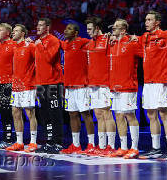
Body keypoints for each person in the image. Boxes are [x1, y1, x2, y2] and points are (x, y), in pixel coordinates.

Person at [138, 10, 167, 159]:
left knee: (164, 113)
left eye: (149, 20)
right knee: (151, 114)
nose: (146, 22)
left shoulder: (166, 35)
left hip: (161, 80)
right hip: (148, 81)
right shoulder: (144, 37)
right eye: (145, 19)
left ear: (157, 22)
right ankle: (156, 147)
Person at [108, 19, 142, 159]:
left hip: (128, 86)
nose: (113, 30)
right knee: (119, 116)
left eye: (116, 28)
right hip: (115, 86)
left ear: (123, 30)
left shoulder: (132, 43)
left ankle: (134, 148)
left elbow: (146, 52)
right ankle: (123, 147)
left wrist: (138, 39)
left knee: (130, 115)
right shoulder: (113, 43)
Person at [59, 23, 95, 154]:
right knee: (72, 114)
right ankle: (76, 145)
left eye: (69, 29)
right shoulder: (64, 44)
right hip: (69, 86)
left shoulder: (83, 42)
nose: (65, 30)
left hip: (82, 85)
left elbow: (96, 41)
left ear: (76, 32)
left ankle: (91, 145)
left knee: (86, 114)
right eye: (65, 28)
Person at [85, 17, 116, 155]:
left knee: (107, 114)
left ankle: (111, 146)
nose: (88, 32)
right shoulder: (90, 44)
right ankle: (102, 146)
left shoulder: (108, 40)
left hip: (105, 83)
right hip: (93, 84)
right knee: (98, 114)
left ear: (97, 28)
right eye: (87, 29)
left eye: (90, 29)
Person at [5, 24, 38, 152]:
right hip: (16, 86)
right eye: (13, 30)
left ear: (23, 33)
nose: (13, 32)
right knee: (15, 112)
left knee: (30, 113)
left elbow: (39, 62)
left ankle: (33, 142)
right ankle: (19, 142)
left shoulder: (30, 46)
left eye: (16, 31)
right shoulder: (13, 47)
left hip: (28, 85)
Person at [34, 18, 64, 154]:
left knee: (55, 113)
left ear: (47, 27)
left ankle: (58, 143)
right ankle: (49, 141)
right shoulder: (37, 42)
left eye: (41, 25)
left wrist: (39, 45)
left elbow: (49, 58)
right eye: (37, 25)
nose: (38, 27)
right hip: (41, 84)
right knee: (44, 115)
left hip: (53, 83)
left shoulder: (53, 40)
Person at [0, 23, 16, 149]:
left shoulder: (13, 45)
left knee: (12, 112)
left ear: (7, 33)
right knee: (4, 113)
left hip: (10, 84)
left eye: (0, 30)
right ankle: (7, 138)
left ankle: (12, 139)